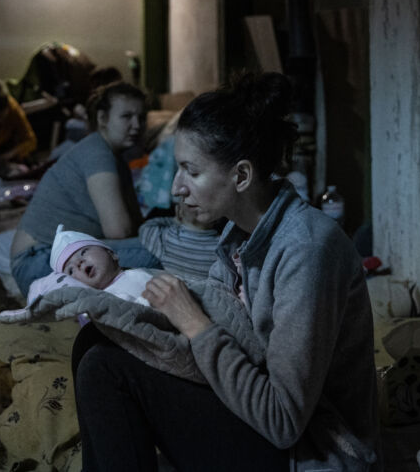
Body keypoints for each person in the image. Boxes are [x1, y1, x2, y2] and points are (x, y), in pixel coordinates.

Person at [72, 72, 381, 471]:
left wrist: (194, 323)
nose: (176, 188)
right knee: (96, 339)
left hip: (310, 451)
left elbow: (283, 421)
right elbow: (232, 338)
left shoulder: (306, 251)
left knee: (106, 370)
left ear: (241, 176)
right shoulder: (238, 235)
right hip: (256, 417)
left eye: (191, 171)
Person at [10, 81, 161, 296]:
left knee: (168, 243)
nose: (137, 125)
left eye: (142, 117)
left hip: (51, 258)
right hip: (39, 262)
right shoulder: (97, 151)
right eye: (126, 116)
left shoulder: (118, 160)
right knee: (162, 251)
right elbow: (118, 230)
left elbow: (136, 225)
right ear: (102, 119)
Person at [26, 225, 153, 306]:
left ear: (112, 254)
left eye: (84, 252)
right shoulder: (93, 305)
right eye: (70, 270)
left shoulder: (140, 274)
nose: (78, 263)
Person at [138, 202, 224, 283]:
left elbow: (145, 228)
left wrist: (175, 221)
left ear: (179, 211)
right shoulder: (222, 246)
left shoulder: (167, 238)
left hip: (171, 290)